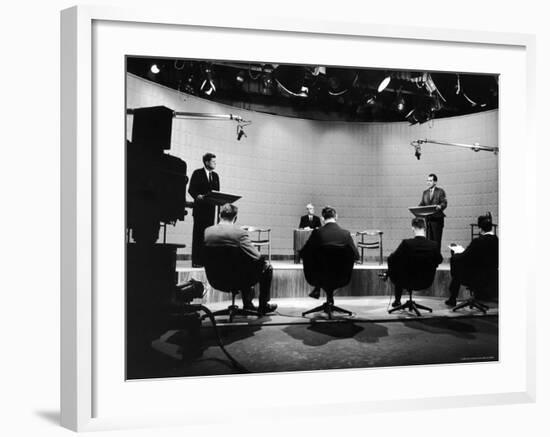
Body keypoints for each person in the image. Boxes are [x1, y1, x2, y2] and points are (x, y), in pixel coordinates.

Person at [204, 203, 277, 315]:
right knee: (266, 267)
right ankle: (262, 305)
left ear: (219, 215)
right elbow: (257, 257)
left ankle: (249, 304)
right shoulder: (240, 233)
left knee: (242, 264)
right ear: (235, 218)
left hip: (215, 279)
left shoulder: (207, 232)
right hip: (237, 279)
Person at [299, 206, 360, 299]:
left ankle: (317, 289)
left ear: (322, 219)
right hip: (341, 277)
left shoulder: (317, 233)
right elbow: (356, 256)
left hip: (319, 277)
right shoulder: (346, 234)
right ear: (336, 217)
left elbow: (302, 253)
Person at [387, 217, 443, 307]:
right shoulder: (433, 245)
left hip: (405, 281)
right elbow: (439, 260)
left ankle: (397, 300)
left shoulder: (406, 243)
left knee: (397, 267)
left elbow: (391, 259)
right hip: (426, 281)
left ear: (412, 228)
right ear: (425, 228)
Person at [445, 214, 498, 306]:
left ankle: (452, 299)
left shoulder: (478, 241)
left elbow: (465, 256)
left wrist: (455, 254)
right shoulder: (496, 240)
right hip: (491, 275)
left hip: (475, 277)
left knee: (456, 267)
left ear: (480, 228)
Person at [188, 153, 220, 267]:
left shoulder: (215, 176)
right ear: (206, 162)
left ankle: (206, 261)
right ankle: (196, 261)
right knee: (198, 235)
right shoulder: (197, 173)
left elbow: (217, 193)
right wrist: (197, 196)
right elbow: (191, 189)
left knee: (208, 236)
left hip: (210, 211)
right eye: (213, 161)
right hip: (200, 210)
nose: (215, 163)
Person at [419, 173, 447, 251]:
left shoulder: (440, 191)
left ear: (435, 182)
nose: (428, 182)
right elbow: (422, 204)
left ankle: (436, 261)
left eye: (430, 180)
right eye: (427, 180)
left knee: (436, 241)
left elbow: (444, 203)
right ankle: (430, 261)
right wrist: (417, 209)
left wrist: (440, 206)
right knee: (428, 241)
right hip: (428, 220)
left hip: (437, 220)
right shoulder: (425, 192)